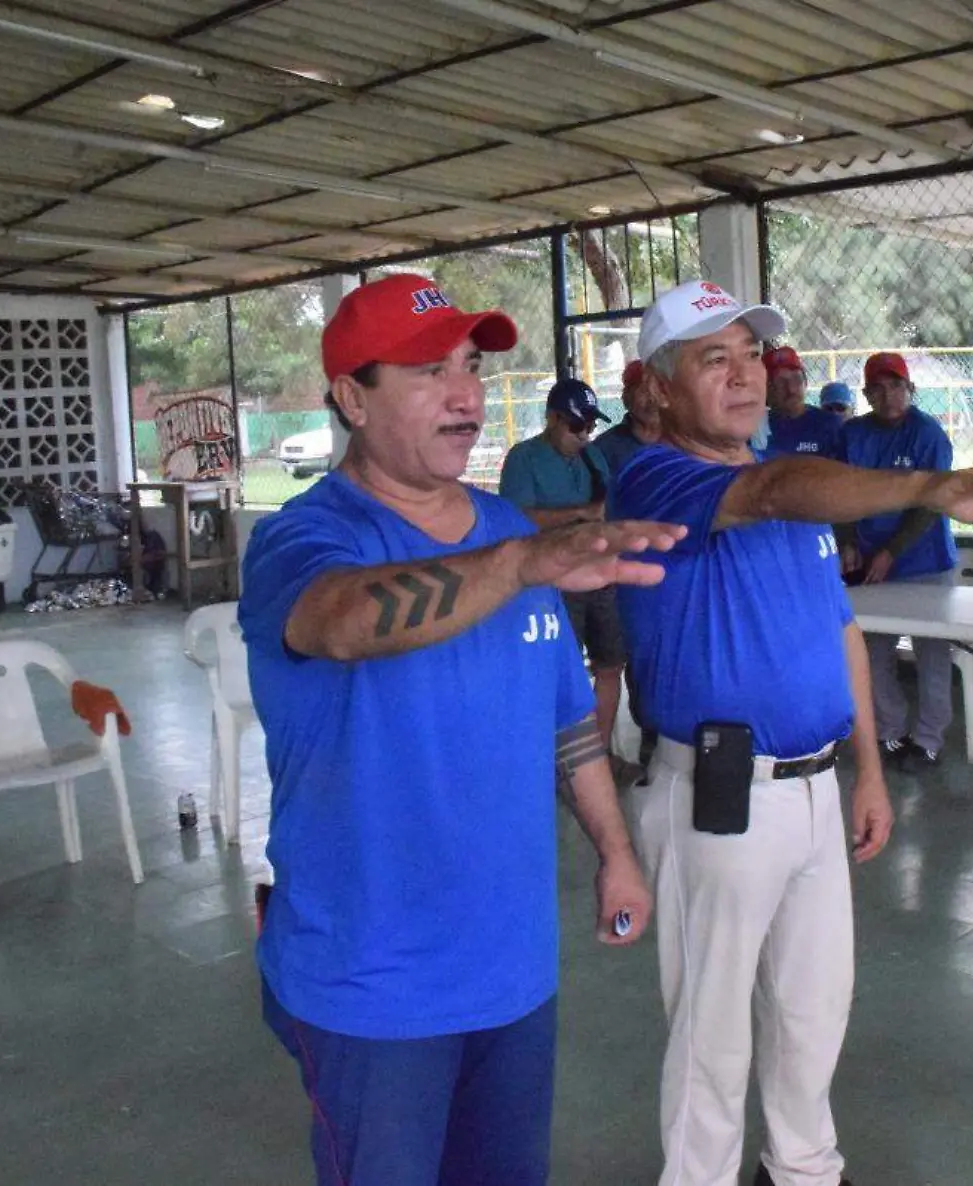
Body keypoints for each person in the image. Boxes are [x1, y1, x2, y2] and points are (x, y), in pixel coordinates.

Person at [240, 273, 677, 1186]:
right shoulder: (306, 537)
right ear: (352, 399)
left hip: (512, 966)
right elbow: (345, 621)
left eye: (472, 366)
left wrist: (616, 850)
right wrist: (522, 563)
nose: (468, 394)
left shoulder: (509, 530)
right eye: (429, 370)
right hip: (373, 983)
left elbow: (565, 717)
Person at [612, 278, 973, 1186]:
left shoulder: (785, 490)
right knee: (712, 1031)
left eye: (752, 354)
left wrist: (868, 774)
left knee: (813, 1007)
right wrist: (929, 483)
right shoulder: (657, 478)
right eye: (713, 358)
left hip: (810, 788)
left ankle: (805, 1170)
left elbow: (841, 630)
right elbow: (768, 491)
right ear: (657, 388)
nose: (744, 376)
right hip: (716, 795)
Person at [840, 352, 960, 767]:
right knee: (872, 650)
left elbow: (932, 503)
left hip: (925, 563)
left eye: (897, 386)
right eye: (878, 388)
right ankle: (889, 732)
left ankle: (928, 739)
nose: (888, 395)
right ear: (867, 394)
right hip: (872, 564)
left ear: (911, 389)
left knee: (932, 653)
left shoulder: (928, 434)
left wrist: (892, 551)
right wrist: (848, 539)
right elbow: (840, 491)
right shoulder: (853, 434)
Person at [501, 377, 627, 749]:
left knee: (611, 665)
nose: (584, 434)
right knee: (557, 673)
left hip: (599, 574)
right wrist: (583, 513)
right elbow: (518, 517)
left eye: (590, 426)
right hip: (552, 582)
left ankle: (599, 755)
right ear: (552, 418)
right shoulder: (524, 459)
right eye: (576, 426)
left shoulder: (593, 457)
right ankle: (558, 761)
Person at [763, 346, 844, 457]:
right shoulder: (755, 428)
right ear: (766, 389)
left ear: (805, 383)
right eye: (780, 382)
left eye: (796, 379)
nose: (791, 389)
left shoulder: (829, 425)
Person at [594, 359, 662, 476]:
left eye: (659, 390)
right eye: (644, 391)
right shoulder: (603, 449)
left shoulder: (689, 442)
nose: (652, 399)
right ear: (626, 398)